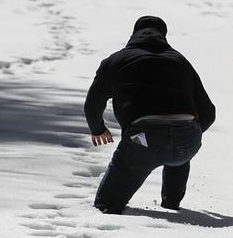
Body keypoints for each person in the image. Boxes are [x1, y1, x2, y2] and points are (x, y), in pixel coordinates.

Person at [84, 15, 216, 214]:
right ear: (164, 35)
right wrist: (187, 132)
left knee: (106, 205)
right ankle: (171, 204)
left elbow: (93, 103)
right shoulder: (181, 62)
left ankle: (112, 207)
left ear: (133, 34)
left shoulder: (116, 60)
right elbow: (208, 112)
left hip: (144, 139)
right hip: (187, 141)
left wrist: (98, 128)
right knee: (178, 149)